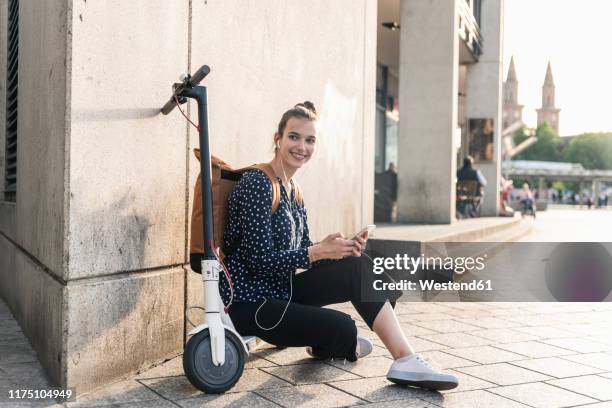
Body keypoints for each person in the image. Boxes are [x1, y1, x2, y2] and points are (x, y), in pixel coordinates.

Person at [220, 102, 458, 391]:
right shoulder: (257, 183)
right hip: (253, 304)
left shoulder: (294, 192)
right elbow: (259, 260)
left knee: (357, 264)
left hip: (283, 292)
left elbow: (303, 253)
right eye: (294, 137)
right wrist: (317, 251)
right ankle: (327, 337)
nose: (302, 147)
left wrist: (339, 249)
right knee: (344, 329)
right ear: (277, 139)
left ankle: (405, 359)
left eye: (310, 140)